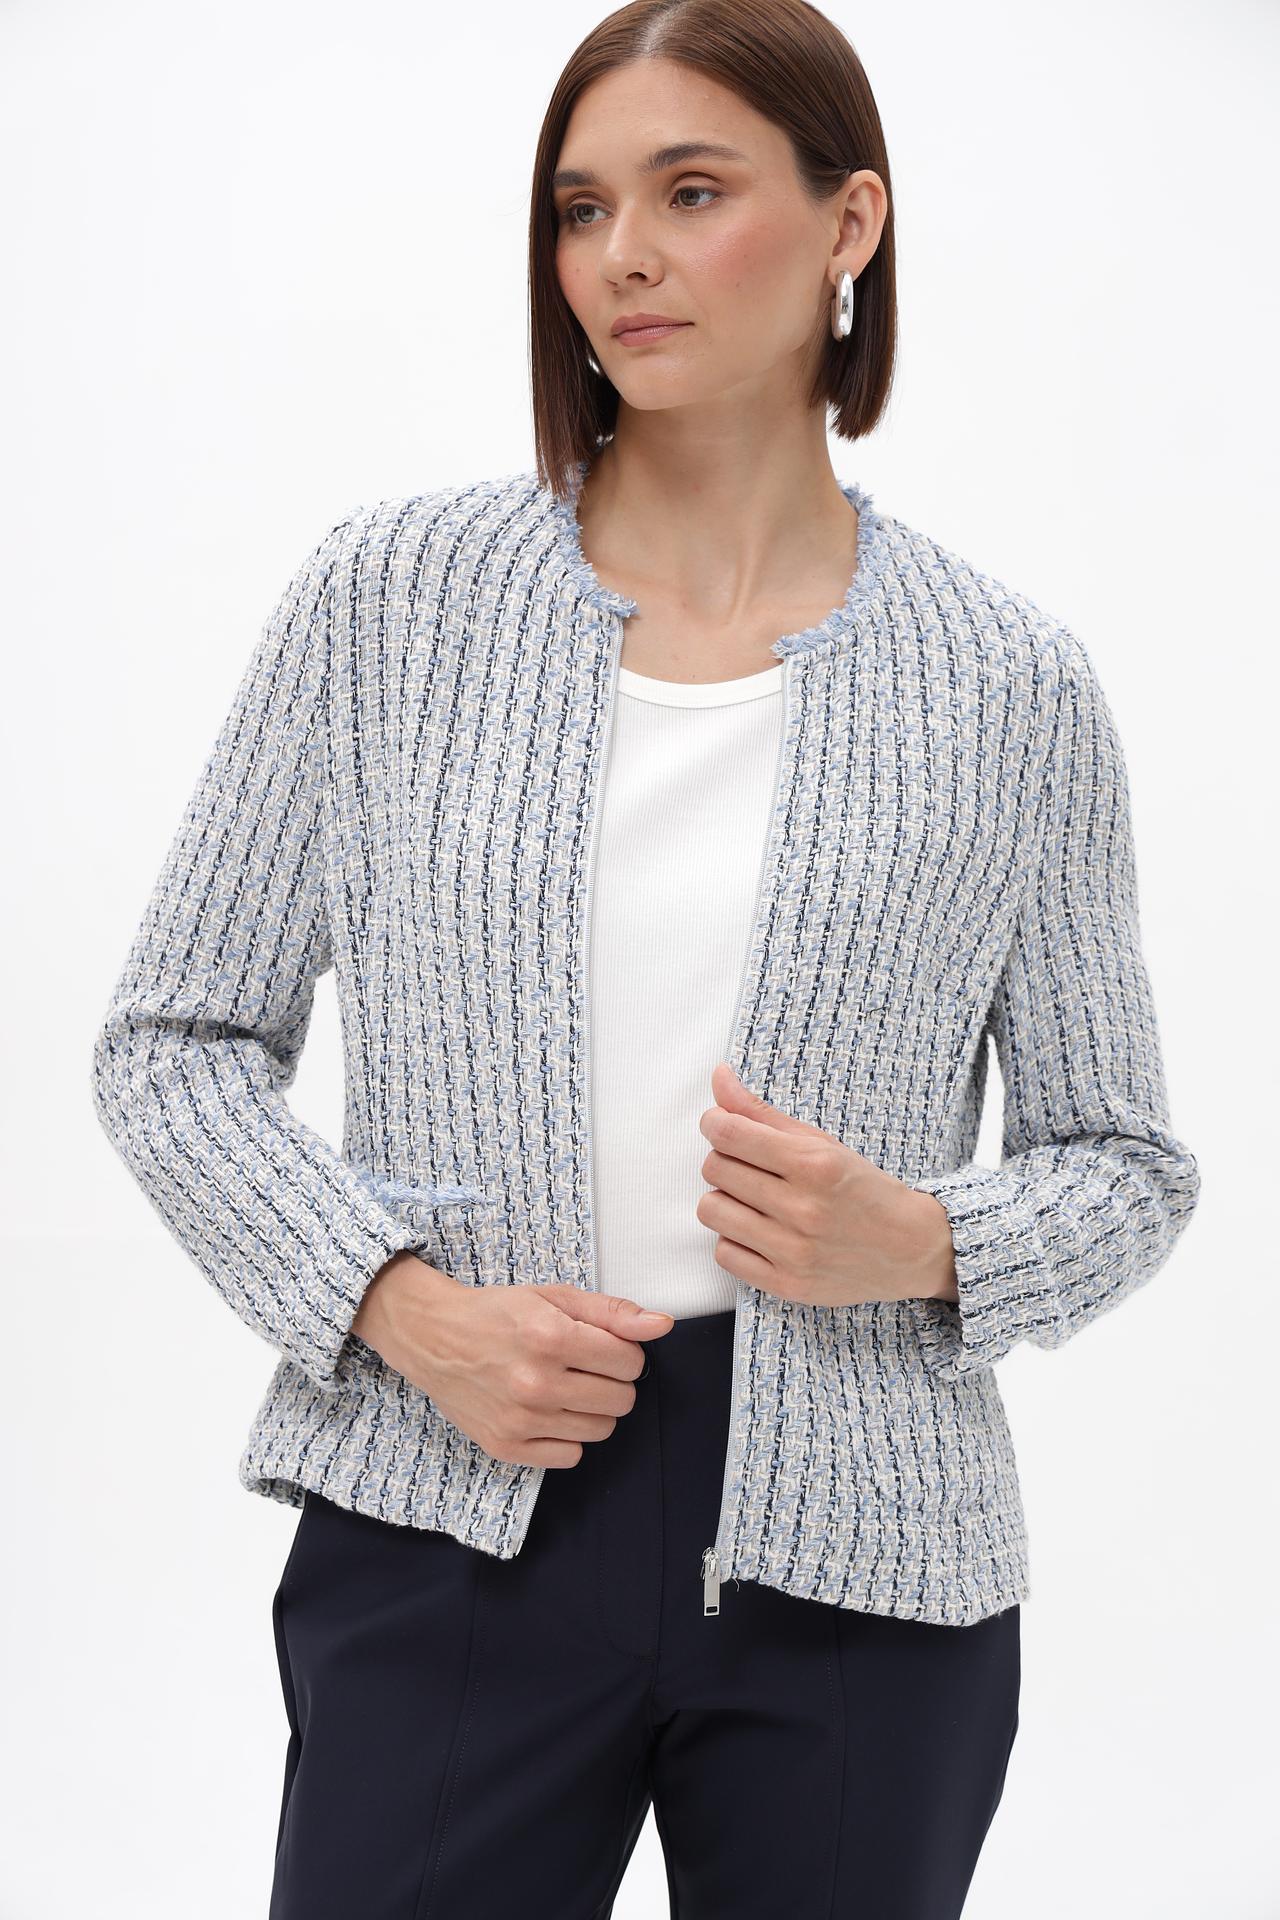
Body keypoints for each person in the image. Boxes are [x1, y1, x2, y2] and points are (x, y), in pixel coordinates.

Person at [90, 2, 1201, 1915]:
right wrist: (398, 1307)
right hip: (450, 1497)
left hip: (864, 1560)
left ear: (851, 222)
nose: (624, 255)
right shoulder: (390, 605)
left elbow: (1125, 1162)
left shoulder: (1010, 685)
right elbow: (173, 1041)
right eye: (583, 207)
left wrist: (926, 1240)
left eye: (693, 192)